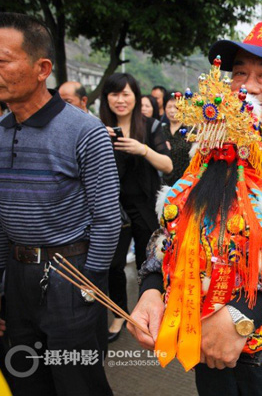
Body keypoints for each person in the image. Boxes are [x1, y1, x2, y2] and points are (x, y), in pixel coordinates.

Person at [129, 22, 262, 396]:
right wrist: (149, 289)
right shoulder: (204, 152)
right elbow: (170, 229)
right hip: (208, 342)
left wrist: (242, 316)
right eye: (240, 72)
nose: (249, 84)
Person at [0, 12, 120, 395]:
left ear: (42, 68)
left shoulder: (84, 132)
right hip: (16, 277)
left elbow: (108, 219)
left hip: (72, 274)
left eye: (1, 60)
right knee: (26, 379)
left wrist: (87, 285)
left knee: (78, 383)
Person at [100, 73, 172, 341]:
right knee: (114, 265)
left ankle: (150, 313)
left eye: (126, 94)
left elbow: (167, 165)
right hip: (111, 208)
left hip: (144, 205)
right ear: (107, 98)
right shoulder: (98, 128)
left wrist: (141, 149)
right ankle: (119, 314)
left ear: (135, 96)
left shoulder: (150, 126)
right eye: (114, 94)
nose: (120, 100)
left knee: (148, 262)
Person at [160, 91, 191, 186]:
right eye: (169, 107)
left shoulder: (190, 131)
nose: (172, 111)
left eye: (176, 107)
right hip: (163, 182)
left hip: (185, 182)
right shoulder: (160, 130)